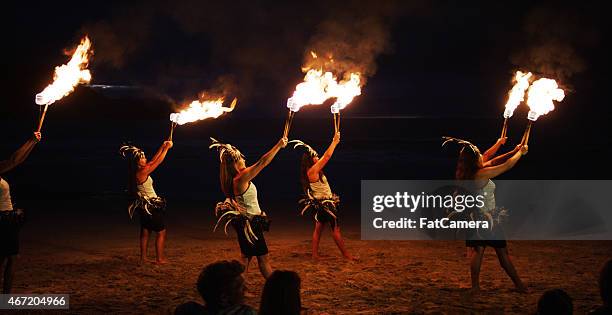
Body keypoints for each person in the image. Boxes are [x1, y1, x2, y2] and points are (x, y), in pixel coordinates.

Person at [443, 136, 528, 293]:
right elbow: (506, 165)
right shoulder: (480, 175)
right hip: (486, 219)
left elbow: (489, 157)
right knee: (500, 253)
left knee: (478, 251)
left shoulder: (467, 172)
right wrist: (520, 153)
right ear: (475, 159)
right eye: (479, 154)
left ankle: (476, 287)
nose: (483, 154)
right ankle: (519, 285)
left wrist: (504, 146)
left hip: (474, 219)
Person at [211, 136, 287, 279]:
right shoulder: (240, 178)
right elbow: (263, 162)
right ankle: (275, 288)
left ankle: (238, 287)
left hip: (248, 223)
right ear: (235, 162)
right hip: (251, 226)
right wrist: (278, 145)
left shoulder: (236, 179)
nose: (244, 160)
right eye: (241, 158)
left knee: (246, 258)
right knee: (263, 259)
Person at [290, 132, 354, 260]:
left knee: (318, 229)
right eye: (315, 156)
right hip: (326, 206)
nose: (318, 157)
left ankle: (314, 255)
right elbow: (327, 156)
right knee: (335, 230)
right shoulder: (313, 171)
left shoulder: (313, 171)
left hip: (321, 205)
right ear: (310, 159)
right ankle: (347, 255)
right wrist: (334, 142)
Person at [119, 139, 173, 264]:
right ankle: (160, 259)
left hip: (143, 208)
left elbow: (153, 160)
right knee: (161, 232)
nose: (145, 158)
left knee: (145, 231)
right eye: (142, 157)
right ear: (137, 162)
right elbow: (157, 162)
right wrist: (166, 149)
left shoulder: (135, 173)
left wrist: (162, 146)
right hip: (151, 207)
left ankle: (143, 258)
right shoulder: (143, 171)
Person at [0, 131, 41, 293]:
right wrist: (31, 140)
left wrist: (33, 143)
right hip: (3, 220)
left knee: (7, 258)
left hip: (6, 219)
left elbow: (18, 161)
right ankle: (6, 298)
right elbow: (14, 161)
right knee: (10, 259)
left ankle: (5, 298)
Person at [174, 260, 256, 315]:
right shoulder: (246, 312)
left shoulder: (187, 310)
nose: (246, 290)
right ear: (224, 297)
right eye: (241, 287)